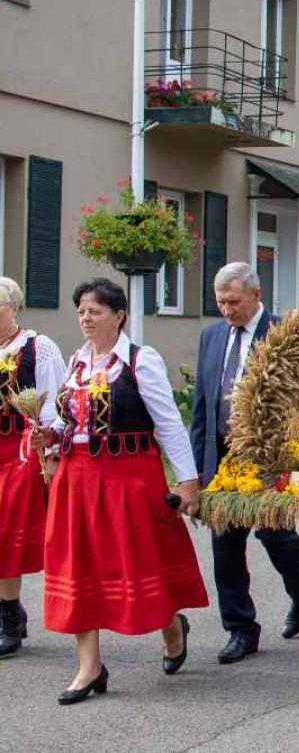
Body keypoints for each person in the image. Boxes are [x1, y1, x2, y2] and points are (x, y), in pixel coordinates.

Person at [36, 278, 207, 704]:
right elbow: (65, 421)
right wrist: (48, 434)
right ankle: (88, 667)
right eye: (80, 311)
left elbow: (167, 422)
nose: (85, 318)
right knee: (80, 567)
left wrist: (187, 480)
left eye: (94, 311)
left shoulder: (138, 360)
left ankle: (171, 627)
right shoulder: (75, 362)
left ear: (119, 316)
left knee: (139, 561)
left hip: (129, 478)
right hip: (76, 480)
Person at [191, 263, 299, 665]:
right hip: (222, 458)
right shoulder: (212, 336)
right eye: (220, 302)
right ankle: (240, 628)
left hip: (269, 457)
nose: (227, 310)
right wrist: (198, 470)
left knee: (276, 536)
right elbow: (202, 404)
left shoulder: (285, 334)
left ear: (256, 295)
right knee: (225, 547)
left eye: (233, 301)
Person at [0, 278, 65, 659]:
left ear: (14, 308)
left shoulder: (37, 348)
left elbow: (54, 404)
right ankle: (10, 611)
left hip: (19, 451)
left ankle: (9, 616)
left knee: (5, 532)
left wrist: (51, 453)